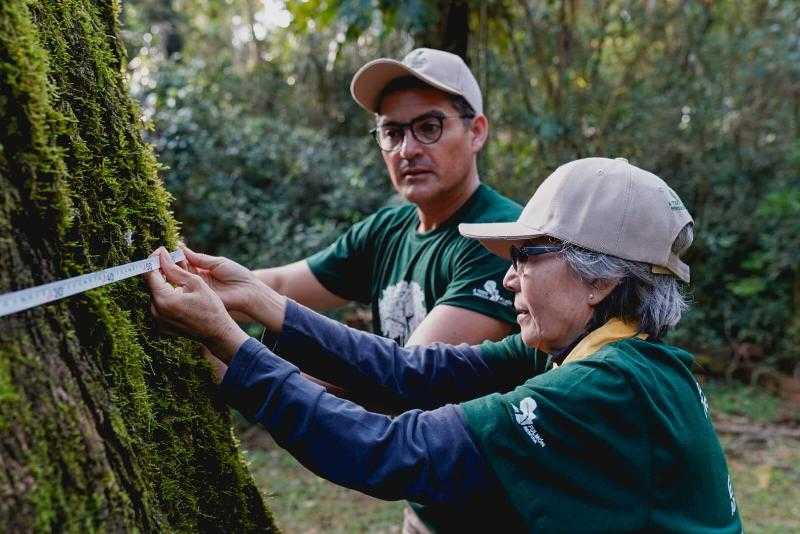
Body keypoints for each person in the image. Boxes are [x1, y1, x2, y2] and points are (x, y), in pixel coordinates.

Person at [147, 157, 743, 533]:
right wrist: (260, 301)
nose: (509, 277)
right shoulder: (595, 353)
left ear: (600, 279)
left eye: (526, 256)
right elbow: (414, 374)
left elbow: (389, 452)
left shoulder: (604, 387)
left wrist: (230, 344)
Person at [252, 48, 522, 348]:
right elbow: (281, 285)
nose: (407, 150)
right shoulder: (387, 230)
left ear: (476, 132)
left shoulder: (501, 235)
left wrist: (246, 362)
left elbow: (412, 372)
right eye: (392, 133)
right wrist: (198, 277)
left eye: (429, 128)